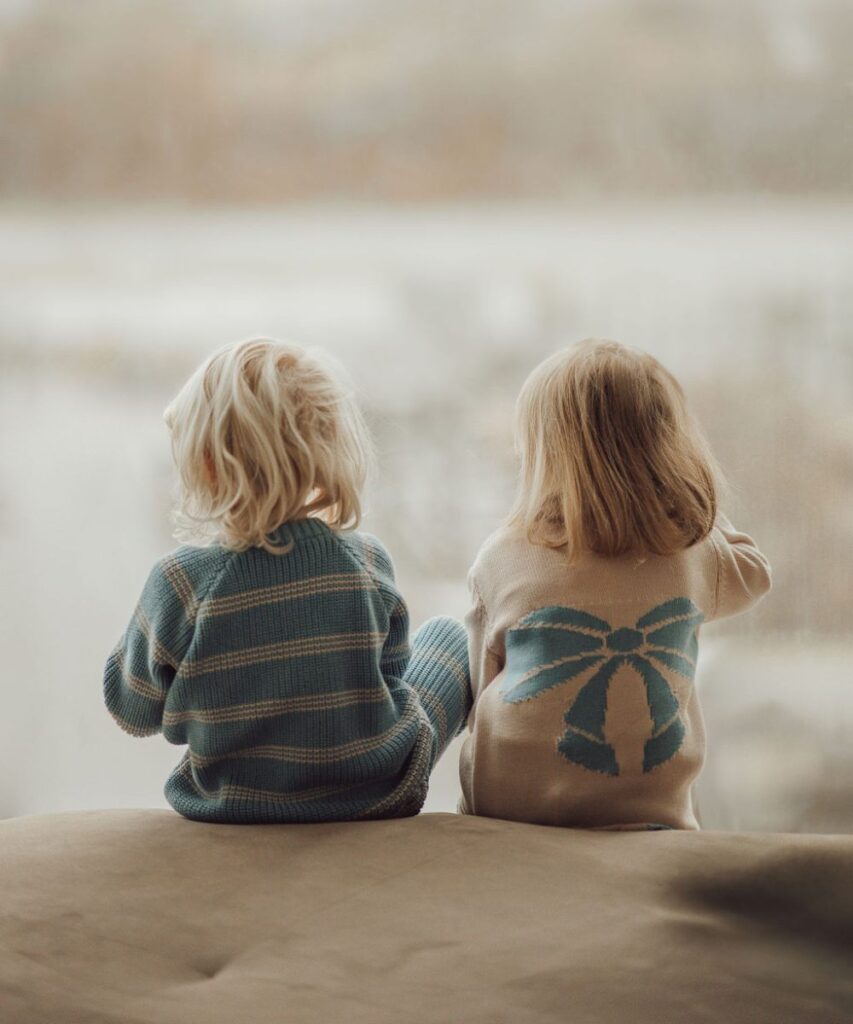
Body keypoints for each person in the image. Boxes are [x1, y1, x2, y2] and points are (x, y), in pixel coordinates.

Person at [104, 338, 470, 823]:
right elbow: (392, 673)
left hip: (233, 804)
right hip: (376, 795)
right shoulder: (367, 560)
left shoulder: (179, 584)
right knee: (449, 636)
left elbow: (132, 710)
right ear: (327, 453)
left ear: (207, 466)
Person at [460, 339, 771, 830]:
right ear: (669, 447)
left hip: (513, 816)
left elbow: (483, 679)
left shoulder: (503, 555)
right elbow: (756, 573)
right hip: (652, 814)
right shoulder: (692, 552)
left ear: (540, 452)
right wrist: (690, 503)